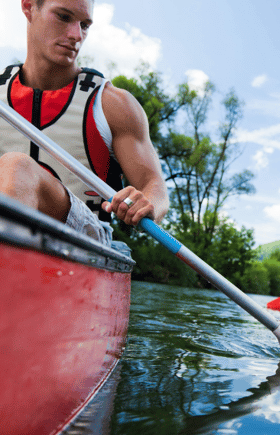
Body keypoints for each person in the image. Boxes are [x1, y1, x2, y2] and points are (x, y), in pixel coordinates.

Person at [0, 0, 169, 249]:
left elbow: (156, 189)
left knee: (18, 167)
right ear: (28, 7)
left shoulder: (113, 104)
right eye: (63, 17)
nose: (76, 35)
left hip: (86, 237)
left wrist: (146, 202)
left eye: (85, 25)